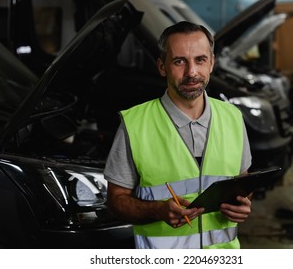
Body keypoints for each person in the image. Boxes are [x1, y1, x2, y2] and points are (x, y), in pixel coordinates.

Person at [104, 21, 252, 249]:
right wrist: (156, 210)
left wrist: (243, 204)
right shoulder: (134, 124)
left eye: (200, 60)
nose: (191, 72)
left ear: (212, 63)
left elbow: (243, 182)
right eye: (179, 61)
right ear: (162, 67)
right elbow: (115, 201)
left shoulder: (232, 117)